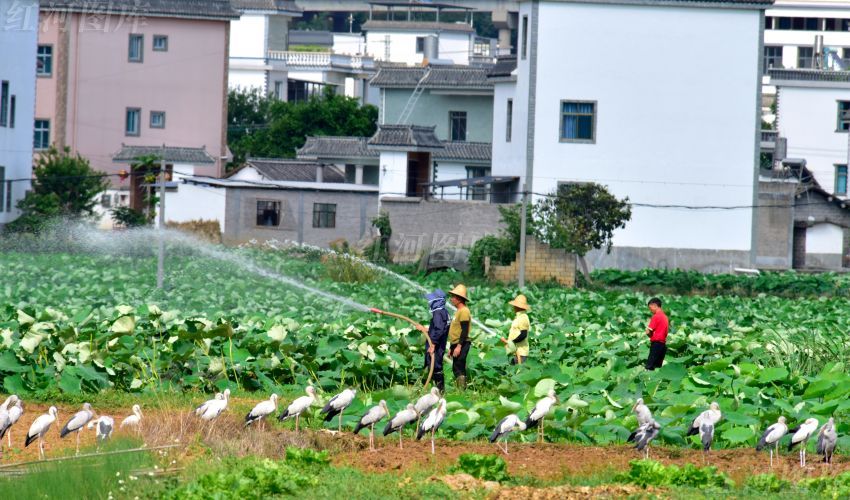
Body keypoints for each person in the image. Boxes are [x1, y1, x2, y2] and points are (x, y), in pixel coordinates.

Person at [419, 289, 449, 392]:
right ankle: (433, 389)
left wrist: (433, 345)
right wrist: (426, 329)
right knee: (434, 365)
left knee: (435, 366)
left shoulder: (438, 313)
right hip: (439, 344)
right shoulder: (443, 312)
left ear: (437, 301)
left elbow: (439, 330)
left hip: (437, 345)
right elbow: (440, 328)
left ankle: (440, 390)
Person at [447, 284, 472, 390]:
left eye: (453, 297)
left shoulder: (464, 311)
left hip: (462, 343)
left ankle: (462, 390)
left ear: (458, 299)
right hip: (456, 343)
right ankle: (460, 389)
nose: (451, 299)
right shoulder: (458, 311)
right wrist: (451, 347)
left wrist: (459, 346)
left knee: (459, 366)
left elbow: (464, 330)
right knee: (456, 366)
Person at [500, 294, 531, 364]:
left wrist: (511, 342)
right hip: (515, 351)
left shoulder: (523, 317)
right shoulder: (518, 317)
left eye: (515, 306)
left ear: (518, 307)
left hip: (521, 353)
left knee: (519, 372)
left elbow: (523, 335)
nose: (513, 307)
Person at [644, 297, 669, 370]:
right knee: (658, 367)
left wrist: (650, 335)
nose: (650, 310)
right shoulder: (665, 317)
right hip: (663, 344)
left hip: (656, 344)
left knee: (649, 366)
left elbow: (648, 331)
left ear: (654, 305)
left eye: (650, 308)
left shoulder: (656, 316)